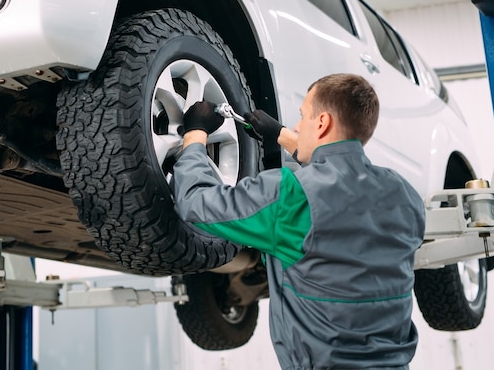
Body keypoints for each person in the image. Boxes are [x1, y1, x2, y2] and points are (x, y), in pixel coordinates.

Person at [173, 73, 425, 370]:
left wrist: (195, 134)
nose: (296, 125)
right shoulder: (405, 195)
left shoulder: (289, 195)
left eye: (303, 117)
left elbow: (195, 202)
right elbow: (337, 185)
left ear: (322, 123)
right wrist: (280, 134)